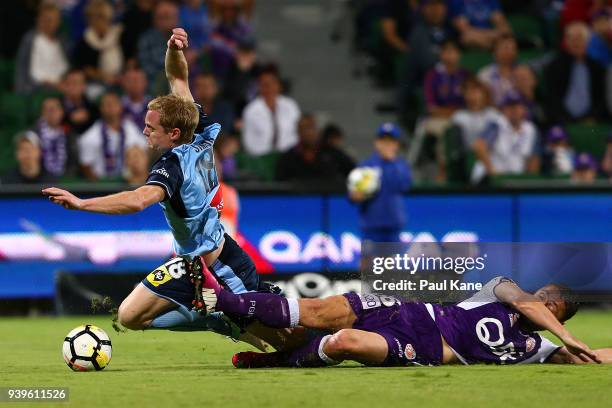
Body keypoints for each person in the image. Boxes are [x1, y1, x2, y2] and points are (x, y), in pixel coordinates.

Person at [42, 28, 277, 348]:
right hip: (190, 264)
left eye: (151, 128)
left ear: (173, 133)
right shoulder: (199, 128)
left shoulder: (172, 167)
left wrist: (83, 204)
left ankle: (237, 317)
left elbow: (138, 200)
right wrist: (174, 48)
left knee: (281, 336)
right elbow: (179, 78)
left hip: (221, 264)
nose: (144, 131)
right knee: (128, 317)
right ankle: (215, 320)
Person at [198, 276, 609, 368]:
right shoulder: (501, 289)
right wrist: (568, 336)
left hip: (426, 349)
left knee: (343, 343)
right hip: (407, 309)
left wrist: (581, 349)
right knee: (317, 311)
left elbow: (593, 359)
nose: (536, 301)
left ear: (558, 308)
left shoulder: (536, 350)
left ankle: (274, 364)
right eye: (538, 296)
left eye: (546, 301)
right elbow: (526, 304)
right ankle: (227, 300)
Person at [351, 123, 411, 243]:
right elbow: (354, 196)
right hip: (371, 225)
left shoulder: (401, 166)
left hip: (393, 225)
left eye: (391, 141)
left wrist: (392, 162)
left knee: (390, 261)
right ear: (377, 143)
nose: (387, 145)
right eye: (384, 141)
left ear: (397, 145)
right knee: (369, 261)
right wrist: (359, 194)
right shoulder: (366, 166)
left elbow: (404, 186)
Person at [544, 22, 607, 124]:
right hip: (561, 119)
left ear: (588, 42)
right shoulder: (554, 66)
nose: (576, 43)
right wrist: (564, 119)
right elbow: (552, 98)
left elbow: (601, 99)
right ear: (566, 42)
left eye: (580, 39)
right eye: (573, 39)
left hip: (590, 121)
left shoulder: (597, 68)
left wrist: (593, 117)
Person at [78, 91, 147, 181]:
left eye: (113, 103)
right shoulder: (90, 136)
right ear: (101, 109)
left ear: (120, 107)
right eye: (106, 104)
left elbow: (144, 152)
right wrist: (100, 186)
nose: (110, 107)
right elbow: (85, 166)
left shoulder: (131, 128)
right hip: (101, 185)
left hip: (129, 183)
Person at [472, 92, 539, 182]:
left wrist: (529, 181)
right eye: (509, 107)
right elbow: (479, 146)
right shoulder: (497, 124)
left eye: (516, 106)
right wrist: (492, 172)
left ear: (524, 109)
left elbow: (533, 159)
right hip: (489, 180)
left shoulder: (530, 130)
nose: (513, 110)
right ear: (504, 109)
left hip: (514, 181)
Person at [242, 66, 301, 156]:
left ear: (278, 85)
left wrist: (288, 151)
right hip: (262, 157)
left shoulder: (290, 106)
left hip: (289, 154)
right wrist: (268, 154)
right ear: (259, 87)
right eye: (265, 84)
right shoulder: (251, 111)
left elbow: (298, 133)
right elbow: (248, 142)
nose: (269, 88)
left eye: (272, 83)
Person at [275, 114, 353, 182]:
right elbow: (280, 184)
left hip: (329, 197)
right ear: (298, 132)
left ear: (317, 130)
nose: (307, 132)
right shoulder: (288, 158)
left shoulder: (333, 153)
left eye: (310, 127)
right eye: (303, 128)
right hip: (298, 198)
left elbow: (353, 173)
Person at [15, 2, 69, 94]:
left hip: (61, 84)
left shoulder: (62, 41)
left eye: (52, 20)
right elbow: (31, 74)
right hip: (37, 87)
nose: (49, 24)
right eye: (45, 20)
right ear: (38, 20)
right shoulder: (30, 40)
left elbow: (66, 66)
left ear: (58, 22)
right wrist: (53, 84)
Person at [73, 0, 124, 86]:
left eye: (101, 17)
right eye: (93, 18)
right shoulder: (83, 41)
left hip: (121, 80)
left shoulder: (119, 35)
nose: (98, 22)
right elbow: (83, 68)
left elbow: (128, 61)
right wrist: (103, 76)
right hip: (94, 83)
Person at [138, 0, 180, 93]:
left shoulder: (182, 37)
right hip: (155, 86)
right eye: (163, 17)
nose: (167, 21)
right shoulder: (146, 39)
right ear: (155, 19)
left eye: (170, 17)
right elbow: (146, 68)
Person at [33, 97, 71, 178]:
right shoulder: (34, 134)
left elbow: (73, 160)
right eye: (48, 110)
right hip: (41, 179)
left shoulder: (69, 134)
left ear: (62, 112)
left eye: (55, 110)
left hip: (64, 179)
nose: (52, 113)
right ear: (42, 113)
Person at [478, 34, 519, 106]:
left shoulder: (523, 72)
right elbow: (482, 101)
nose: (510, 52)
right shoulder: (485, 74)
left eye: (513, 48)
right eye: (506, 48)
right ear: (494, 51)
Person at [61, 69, 99, 136]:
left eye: (76, 83)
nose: (73, 87)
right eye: (69, 83)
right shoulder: (57, 105)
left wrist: (88, 117)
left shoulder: (93, 108)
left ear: (84, 86)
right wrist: (69, 119)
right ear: (64, 86)